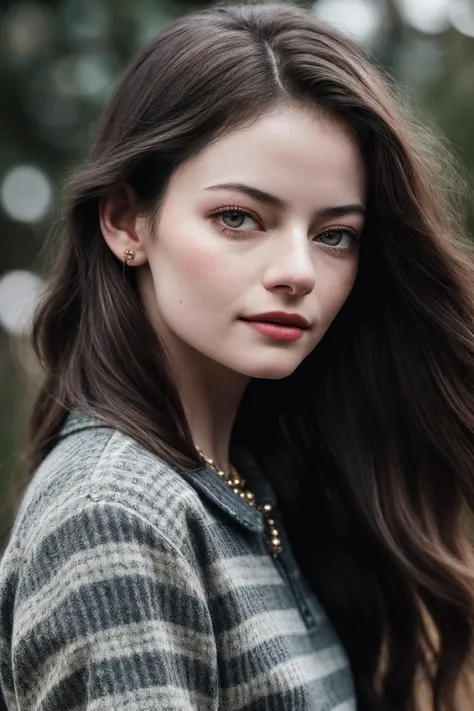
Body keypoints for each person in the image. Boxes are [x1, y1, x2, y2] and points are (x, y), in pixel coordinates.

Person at [1, 2, 474, 709]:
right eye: (239, 218)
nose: (298, 271)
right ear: (127, 220)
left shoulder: (248, 480)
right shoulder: (117, 512)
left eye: (335, 234)